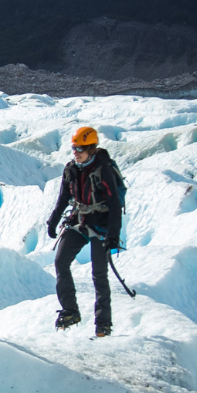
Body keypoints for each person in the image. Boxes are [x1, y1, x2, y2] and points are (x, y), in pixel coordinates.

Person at [46, 126, 122, 337]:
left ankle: (103, 324)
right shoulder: (71, 169)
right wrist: (53, 221)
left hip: (101, 225)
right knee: (61, 261)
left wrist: (113, 235)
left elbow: (115, 205)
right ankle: (70, 311)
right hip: (80, 220)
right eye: (74, 148)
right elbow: (63, 198)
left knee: (99, 274)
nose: (76, 152)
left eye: (80, 148)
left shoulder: (104, 170)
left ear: (91, 148)